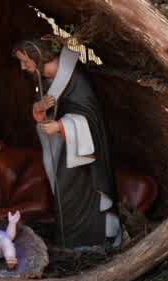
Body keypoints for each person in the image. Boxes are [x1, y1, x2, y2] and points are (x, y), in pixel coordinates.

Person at [13, 39, 119, 249]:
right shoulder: (45, 80)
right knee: (64, 192)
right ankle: (74, 241)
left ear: (37, 58)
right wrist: (40, 110)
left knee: (72, 191)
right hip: (66, 147)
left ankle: (100, 233)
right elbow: (47, 115)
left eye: (24, 61)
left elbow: (90, 117)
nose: (22, 67)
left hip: (83, 152)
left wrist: (61, 126)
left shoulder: (76, 79)